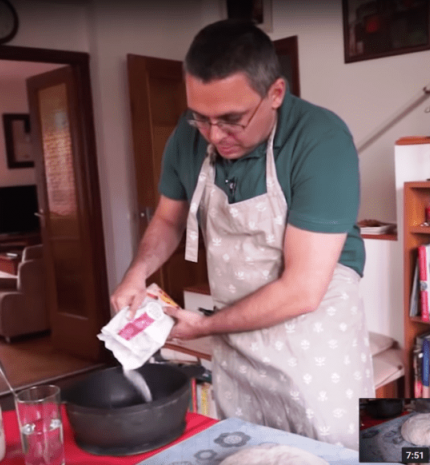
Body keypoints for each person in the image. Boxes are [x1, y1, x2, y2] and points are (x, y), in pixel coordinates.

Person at [111, 19, 374, 450]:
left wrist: (205, 326)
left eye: (232, 120)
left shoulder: (320, 140)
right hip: (236, 337)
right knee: (246, 449)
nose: (215, 135)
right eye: (201, 117)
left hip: (313, 338)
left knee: (330, 452)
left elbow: (303, 289)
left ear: (275, 93)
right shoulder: (187, 137)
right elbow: (169, 219)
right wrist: (136, 273)